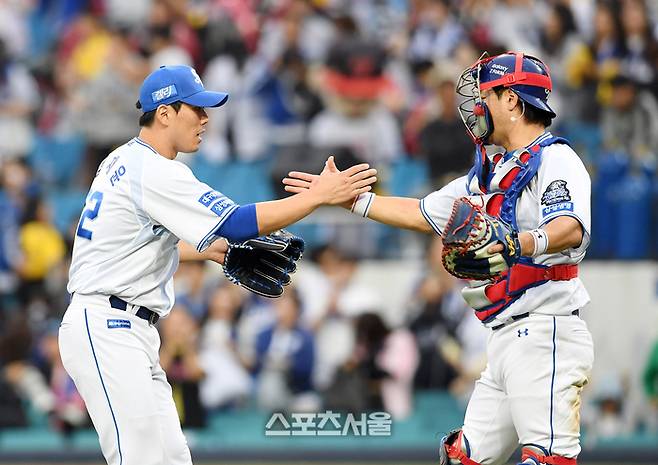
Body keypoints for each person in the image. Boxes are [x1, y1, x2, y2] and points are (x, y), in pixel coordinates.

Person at [284, 52, 594, 465]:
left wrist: (519, 242)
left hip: (546, 330)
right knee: (463, 458)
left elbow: (570, 226)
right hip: (504, 338)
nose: (475, 107)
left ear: (513, 103)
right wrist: (351, 201)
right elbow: (423, 213)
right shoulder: (490, 170)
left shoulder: (556, 159)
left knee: (549, 460)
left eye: (486, 95)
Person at [58, 64, 377, 465]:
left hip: (123, 325)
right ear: (165, 113)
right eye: (196, 108)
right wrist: (319, 197)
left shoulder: (124, 160)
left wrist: (211, 250)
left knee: (172, 458)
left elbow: (130, 241)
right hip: (108, 325)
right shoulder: (155, 170)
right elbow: (237, 222)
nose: (206, 118)